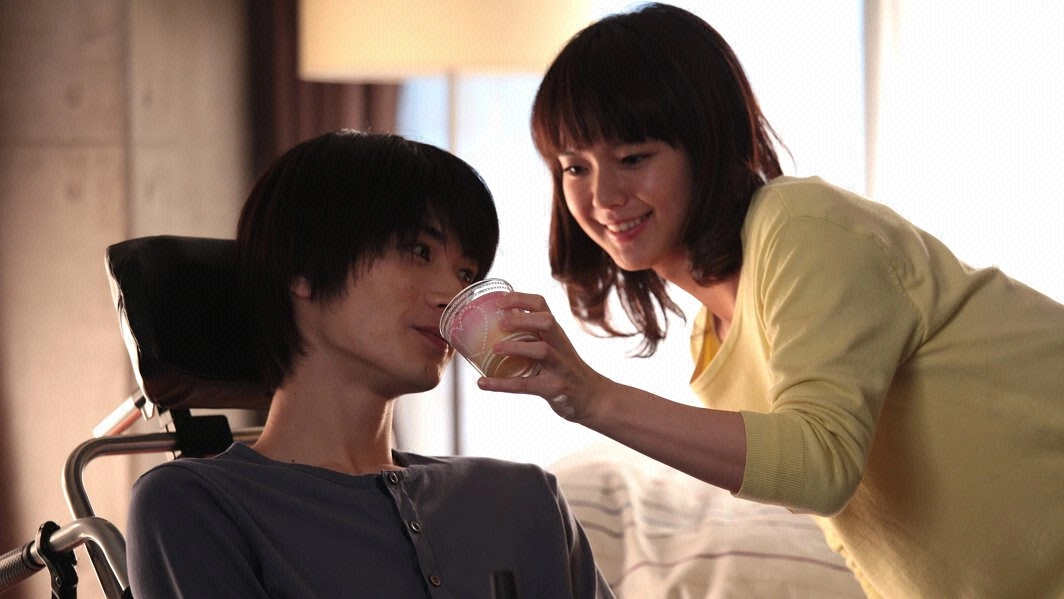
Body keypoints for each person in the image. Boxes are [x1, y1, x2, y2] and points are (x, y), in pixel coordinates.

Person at [477, 4, 1064, 598]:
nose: (603, 195)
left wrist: (592, 396)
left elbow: (820, 464)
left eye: (633, 158)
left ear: (706, 147)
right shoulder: (713, 343)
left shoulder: (802, 224)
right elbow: (858, 527)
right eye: (574, 167)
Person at [126, 130, 614, 599]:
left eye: (466, 273)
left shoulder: (526, 498)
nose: (453, 296)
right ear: (303, 268)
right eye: (419, 251)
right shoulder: (197, 504)